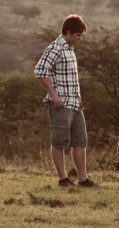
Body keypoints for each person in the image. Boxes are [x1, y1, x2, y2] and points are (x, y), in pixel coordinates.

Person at [34, 14, 95, 188]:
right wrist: (53, 94)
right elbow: (39, 71)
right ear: (68, 32)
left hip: (75, 103)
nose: (80, 39)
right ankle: (63, 178)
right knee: (59, 141)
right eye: (78, 35)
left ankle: (83, 179)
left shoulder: (69, 49)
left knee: (80, 141)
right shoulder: (56, 48)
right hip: (61, 103)